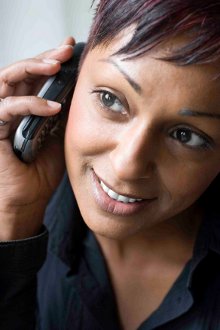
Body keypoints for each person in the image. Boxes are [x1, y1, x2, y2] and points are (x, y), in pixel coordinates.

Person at [0, 0, 220, 329]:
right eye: (110, 99)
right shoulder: (23, 201)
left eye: (186, 136)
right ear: (69, 80)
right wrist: (14, 221)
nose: (127, 166)